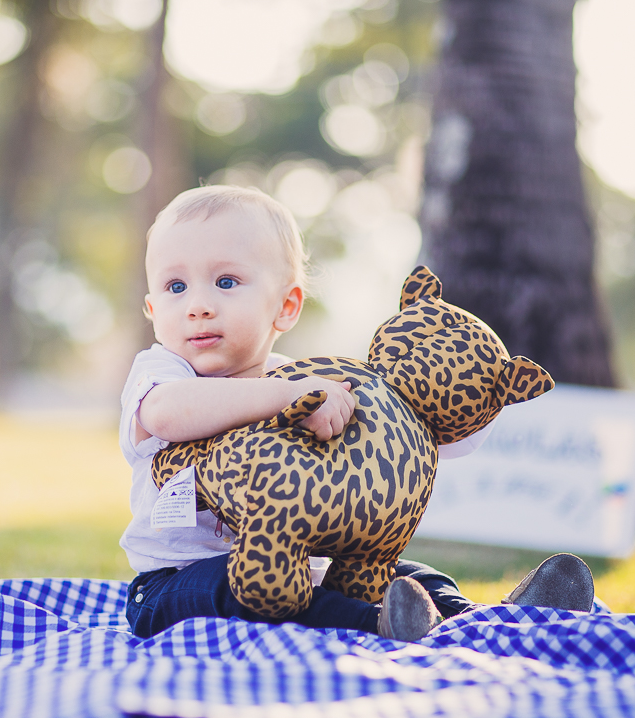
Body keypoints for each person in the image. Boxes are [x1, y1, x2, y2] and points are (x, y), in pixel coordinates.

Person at [119, 184, 593, 642]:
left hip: (313, 563)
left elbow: (392, 434)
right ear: (152, 307)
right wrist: (287, 398)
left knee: (408, 573)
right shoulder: (163, 373)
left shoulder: (302, 378)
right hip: (171, 583)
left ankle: (490, 618)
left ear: (285, 307)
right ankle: (377, 624)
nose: (198, 305)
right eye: (175, 286)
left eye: (226, 282)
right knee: (232, 586)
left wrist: (452, 408)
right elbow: (166, 414)